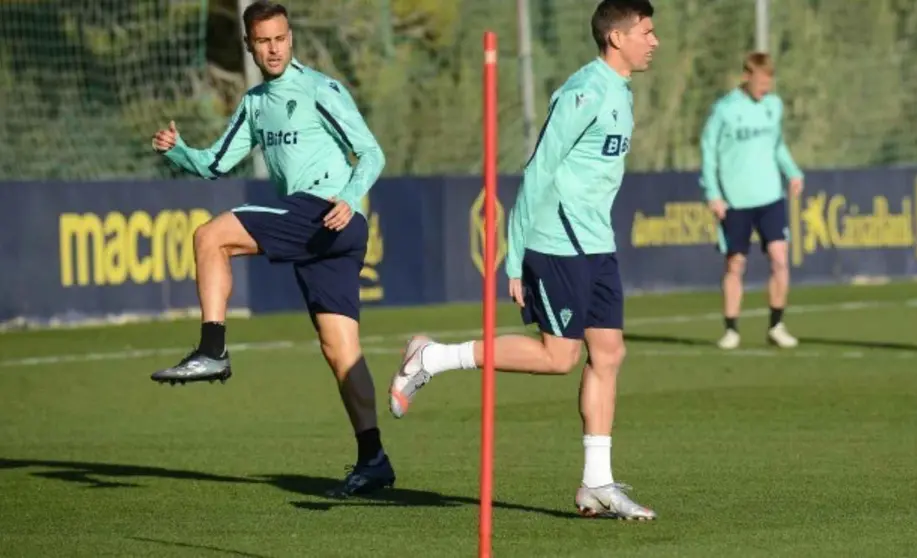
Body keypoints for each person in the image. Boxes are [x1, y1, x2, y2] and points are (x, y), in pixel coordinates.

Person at [387, 0, 658, 521]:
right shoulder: (582, 93)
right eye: (646, 32)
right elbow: (537, 171)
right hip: (557, 241)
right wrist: (514, 258)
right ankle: (433, 357)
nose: (654, 41)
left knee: (609, 354)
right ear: (617, 38)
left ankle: (596, 484)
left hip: (597, 243)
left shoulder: (621, 93)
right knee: (560, 358)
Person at [149, 0, 394, 497]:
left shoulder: (319, 89)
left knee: (208, 236)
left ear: (291, 38)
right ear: (249, 46)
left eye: (280, 38)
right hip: (319, 230)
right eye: (263, 41)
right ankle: (374, 460)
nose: (274, 48)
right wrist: (179, 150)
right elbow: (215, 163)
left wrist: (348, 198)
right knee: (340, 351)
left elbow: (371, 152)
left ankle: (213, 350)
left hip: (329, 212)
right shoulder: (255, 103)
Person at [699, 52, 804, 350]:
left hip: (770, 196)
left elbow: (778, 146)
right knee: (735, 264)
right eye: (761, 82)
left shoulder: (773, 106)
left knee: (780, 259)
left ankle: (776, 325)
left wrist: (793, 173)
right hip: (736, 201)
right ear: (747, 76)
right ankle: (731, 329)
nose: (766, 89)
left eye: (769, 82)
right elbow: (709, 154)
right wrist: (713, 194)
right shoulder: (724, 110)